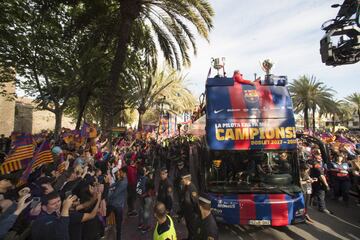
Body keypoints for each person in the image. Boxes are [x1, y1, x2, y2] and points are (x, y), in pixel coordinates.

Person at [107, 166, 128, 240]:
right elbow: (115, 184)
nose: (119, 173)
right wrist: (109, 187)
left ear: (124, 173)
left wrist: (108, 195)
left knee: (118, 225)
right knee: (117, 223)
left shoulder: (124, 182)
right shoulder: (122, 180)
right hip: (117, 205)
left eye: (121, 172)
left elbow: (115, 194)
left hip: (117, 205)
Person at [179, 172, 200, 240]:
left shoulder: (192, 188)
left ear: (187, 179)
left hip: (192, 215)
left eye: (183, 179)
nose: (182, 180)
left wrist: (196, 215)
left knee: (192, 230)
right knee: (189, 228)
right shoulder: (186, 187)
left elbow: (195, 202)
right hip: (187, 213)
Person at [137, 166, 155, 234]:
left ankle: (140, 224)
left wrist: (140, 195)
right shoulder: (147, 179)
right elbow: (152, 187)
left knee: (141, 210)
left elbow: (137, 189)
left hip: (141, 197)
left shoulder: (139, 179)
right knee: (146, 212)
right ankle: (145, 227)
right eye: (145, 170)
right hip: (147, 197)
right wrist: (151, 178)